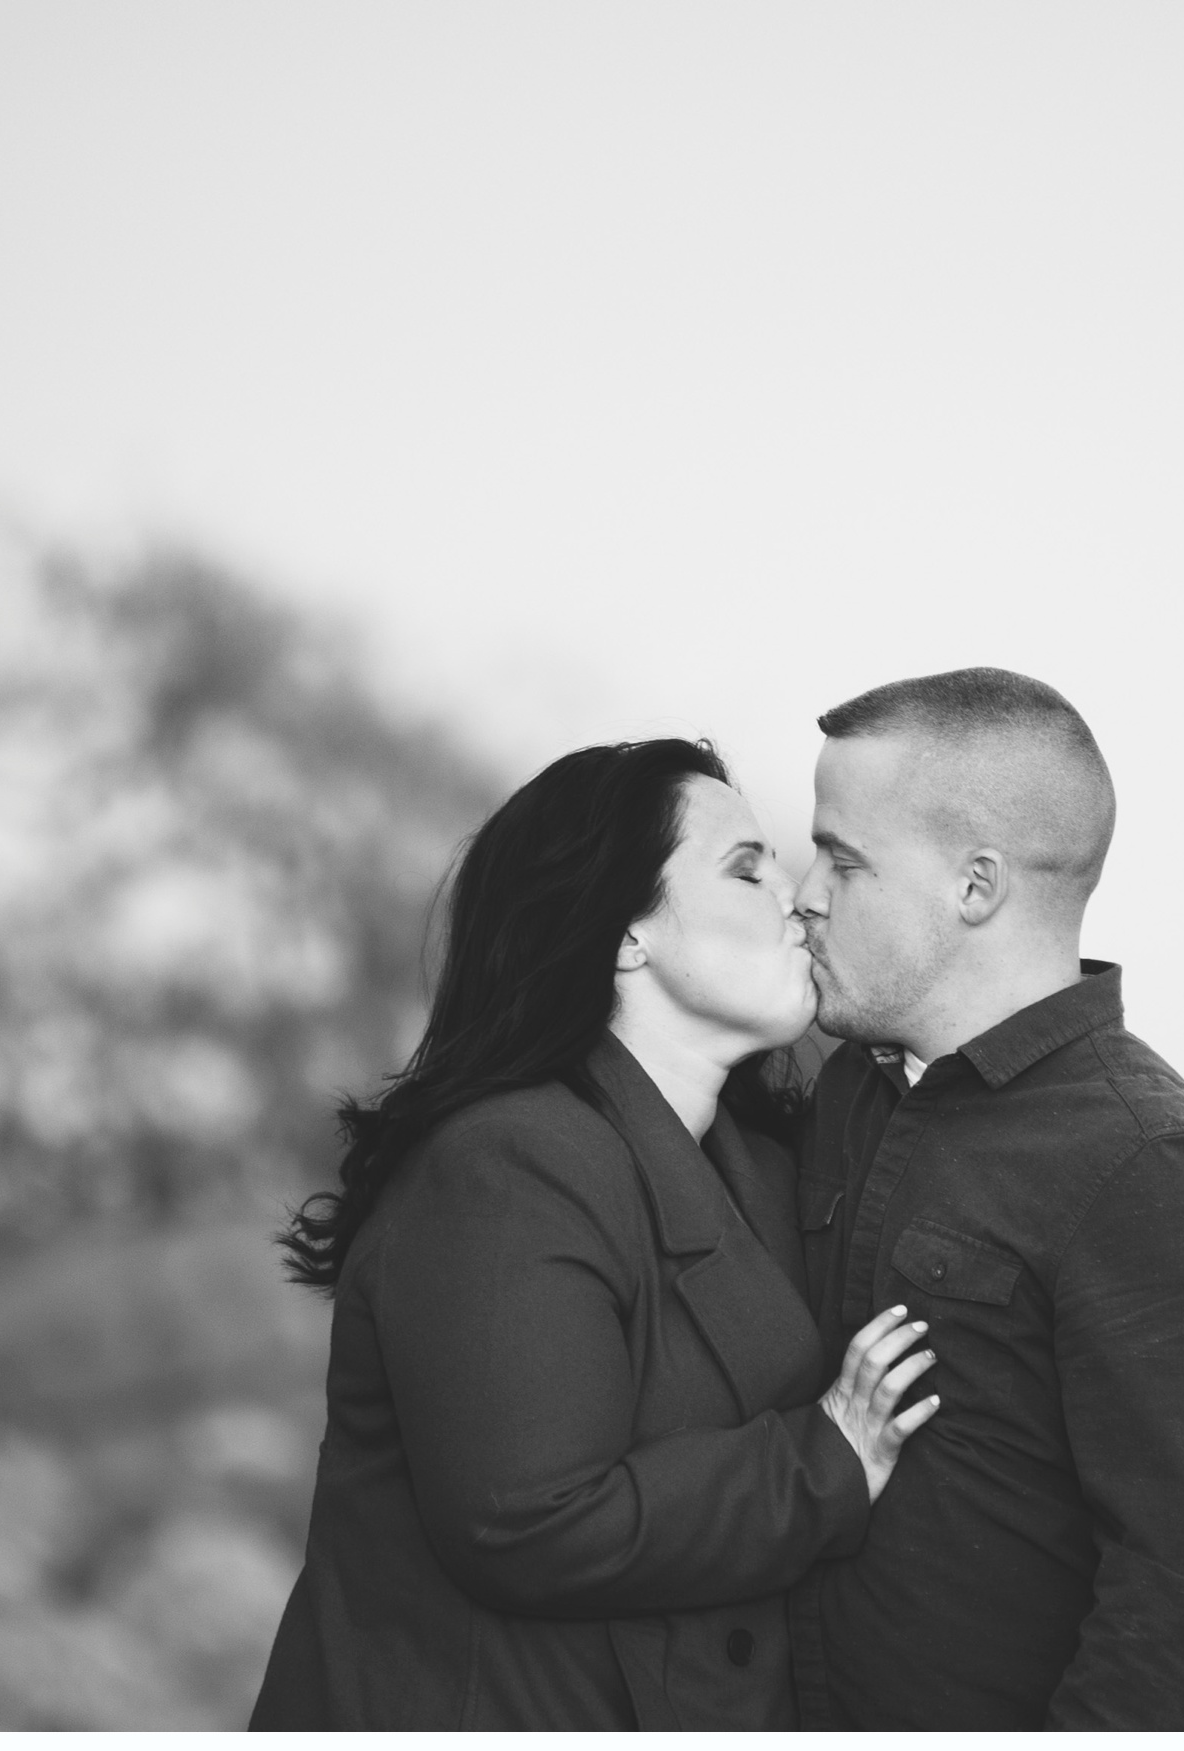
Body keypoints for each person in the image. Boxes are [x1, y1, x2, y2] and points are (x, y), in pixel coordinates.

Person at [250, 738, 940, 1729]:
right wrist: (826, 1461)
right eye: (745, 867)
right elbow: (526, 1521)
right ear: (627, 935)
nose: (795, 896)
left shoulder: (765, 1169)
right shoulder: (507, 1165)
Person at [785, 667, 1184, 1728]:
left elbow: (1180, 1589)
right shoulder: (847, 1089)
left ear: (975, 886)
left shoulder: (1148, 1164)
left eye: (843, 858)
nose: (807, 891)